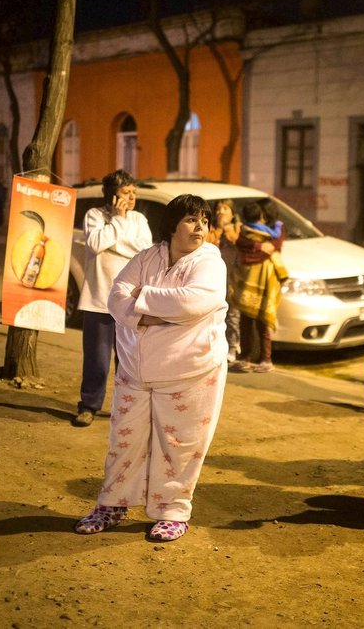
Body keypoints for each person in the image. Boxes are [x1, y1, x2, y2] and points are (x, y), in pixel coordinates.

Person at [74, 194, 229, 542]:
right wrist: (159, 314)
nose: (200, 226)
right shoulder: (147, 257)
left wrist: (141, 300)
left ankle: (173, 510)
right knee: (124, 441)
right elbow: (116, 298)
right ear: (172, 224)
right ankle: (112, 504)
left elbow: (196, 301)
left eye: (204, 219)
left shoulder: (210, 262)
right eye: (191, 219)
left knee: (179, 444)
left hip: (190, 371)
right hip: (135, 371)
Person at [73, 169, 153, 427]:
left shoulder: (140, 219)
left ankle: (125, 407)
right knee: (96, 359)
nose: (131, 197)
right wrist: (118, 221)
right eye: (126, 193)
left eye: (133, 192)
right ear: (112, 195)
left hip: (129, 302)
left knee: (127, 359)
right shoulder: (95, 215)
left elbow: (143, 251)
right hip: (98, 300)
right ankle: (88, 405)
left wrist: (114, 240)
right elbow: (96, 244)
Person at [230, 200, 285, 373]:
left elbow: (274, 246)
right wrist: (259, 246)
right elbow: (242, 243)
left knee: (262, 321)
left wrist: (258, 248)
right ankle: (245, 357)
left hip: (264, 281)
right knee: (246, 321)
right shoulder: (253, 231)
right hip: (249, 280)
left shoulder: (277, 229)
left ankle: (266, 359)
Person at [206, 198, 241, 363]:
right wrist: (218, 230)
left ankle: (233, 347)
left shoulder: (237, 229)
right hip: (213, 278)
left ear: (232, 214)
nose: (221, 212)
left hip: (233, 278)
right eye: (219, 208)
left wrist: (228, 229)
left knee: (233, 315)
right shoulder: (211, 229)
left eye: (225, 208)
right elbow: (206, 244)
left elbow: (238, 243)